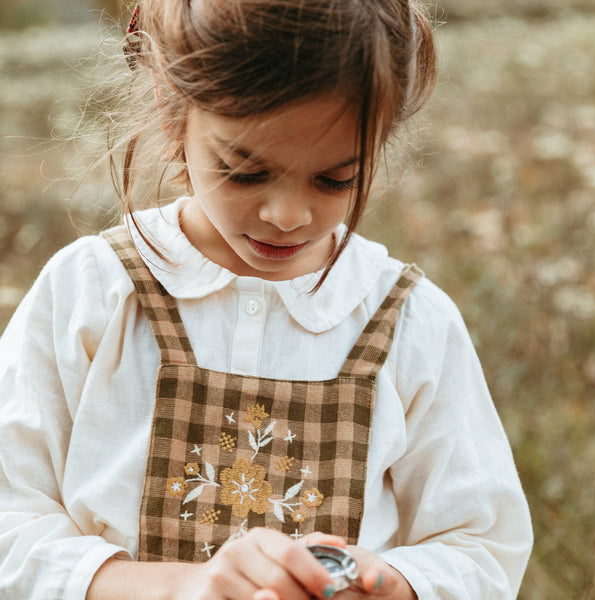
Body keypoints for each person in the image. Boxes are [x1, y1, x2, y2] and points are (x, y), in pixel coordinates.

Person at [0, 1, 533, 599]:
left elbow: (483, 547)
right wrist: (186, 588)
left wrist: (386, 584)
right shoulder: (90, 292)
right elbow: (11, 528)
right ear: (170, 108)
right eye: (244, 171)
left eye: (336, 180)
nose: (288, 216)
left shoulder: (408, 320)